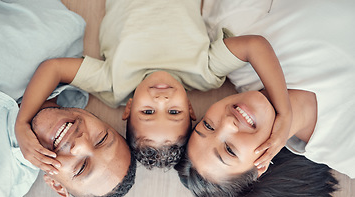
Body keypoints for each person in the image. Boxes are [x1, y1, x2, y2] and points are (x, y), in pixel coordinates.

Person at [16, 0, 292, 171]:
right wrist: (284, 113)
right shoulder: (204, 73)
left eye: (147, 112)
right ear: (191, 110)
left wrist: (23, 123)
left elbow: (52, 69)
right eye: (174, 112)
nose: (162, 100)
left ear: (129, 108)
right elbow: (255, 46)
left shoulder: (114, 86)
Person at [176, 0, 354, 197]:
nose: (228, 123)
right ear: (260, 167)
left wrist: (285, 111)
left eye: (208, 125)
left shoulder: (235, 35)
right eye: (229, 150)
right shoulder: (344, 150)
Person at [0, 0, 135, 197]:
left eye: (81, 168)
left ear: (56, 185)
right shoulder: (59, 32)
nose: (79, 143)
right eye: (100, 139)